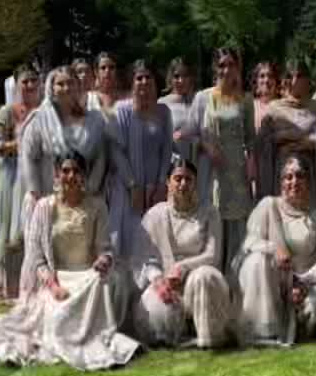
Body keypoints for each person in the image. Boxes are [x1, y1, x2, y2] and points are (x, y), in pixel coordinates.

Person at [0, 152, 139, 371]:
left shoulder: (97, 206)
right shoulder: (44, 207)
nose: (71, 176)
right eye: (65, 170)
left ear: (84, 175)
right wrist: (53, 286)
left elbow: (105, 248)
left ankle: (96, 338)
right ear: (57, 175)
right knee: (57, 321)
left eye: (76, 171)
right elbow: (36, 257)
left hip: (88, 277)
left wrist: (103, 260)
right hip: (57, 278)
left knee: (103, 282)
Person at [235, 154, 316, 346]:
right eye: (288, 177)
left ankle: (297, 318)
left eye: (300, 176)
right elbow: (249, 242)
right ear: (281, 182)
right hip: (271, 284)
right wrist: (274, 249)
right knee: (256, 260)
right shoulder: (268, 205)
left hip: (307, 284)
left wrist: (302, 282)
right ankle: (264, 327)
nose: (294, 182)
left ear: (309, 181)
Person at [133, 159, 231, 348]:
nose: (183, 184)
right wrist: (158, 280)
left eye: (188, 179)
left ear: (195, 183)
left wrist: (182, 267)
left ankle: (207, 338)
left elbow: (213, 255)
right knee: (155, 313)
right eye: (178, 179)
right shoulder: (155, 215)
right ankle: (181, 331)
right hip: (167, 281)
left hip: (199, 280)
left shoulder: (209, 212)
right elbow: (145, 258)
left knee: (204, 276)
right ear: (168, 182)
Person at [190, 47, 255, 272]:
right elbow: (190, 133)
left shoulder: (245, 99)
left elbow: (250, 138)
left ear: (238, 67)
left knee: (238, 219)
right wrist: (207, 146)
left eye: (231, 64)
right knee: (214, 216)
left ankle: (236, 274)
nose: (226, 70)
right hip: (212, 168)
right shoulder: (203, 97)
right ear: (214, 68)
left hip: (236, 167)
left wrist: (251, 162)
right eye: (221, 65)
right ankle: (213, 273)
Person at [21, 65, 107, 234]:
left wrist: (90, 189)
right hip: (48, 195)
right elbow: (29, 156)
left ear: (78, 86)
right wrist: (35, 192)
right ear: (52, 89)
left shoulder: (94, 120)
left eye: (70, 83)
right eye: (60, 84)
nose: (66, 88)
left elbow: (100, 157)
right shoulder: (40, 119)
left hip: (84, 197)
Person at [109, 60, 173, 259]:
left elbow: (167, 149)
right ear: (132, 82)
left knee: (154, 240)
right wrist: (132, 186)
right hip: (127, 187)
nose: (144, 81)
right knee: (127, 239)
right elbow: (116, 150)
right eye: (139, 78)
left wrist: (161, 184)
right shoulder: (122, 110)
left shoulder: (163, 112)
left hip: (155, 188)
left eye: (148, 77)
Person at [0, 64, 41, 297]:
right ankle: (8, 281)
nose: (29, 85)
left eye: (33, 81)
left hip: (39, 175)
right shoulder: (7, 112)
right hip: (13, 177)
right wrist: (20, 144)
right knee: (13, 229)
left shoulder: (45, 111)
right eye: (25, 81)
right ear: (17, 85)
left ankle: (34, 278)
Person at [257, 59, 316, 206]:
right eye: (289, 76)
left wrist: (310, 144)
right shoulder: (274, 109)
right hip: (282, 176)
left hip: (312, 177)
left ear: (307, 80)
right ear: (283, 81)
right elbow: (261, 145)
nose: (294, 81)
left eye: (299, 76)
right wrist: (279, 137)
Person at [158, 57, 196, 163]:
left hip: (198, 163)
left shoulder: (199, 100)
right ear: (170, 78)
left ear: (191, 78)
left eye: (185, 76)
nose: (181, 81)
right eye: (176, 76)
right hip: (173, 163)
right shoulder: (162, 103)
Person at [251, 61, 280, 133]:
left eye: (270, 76)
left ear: (276, 81)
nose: (266, 80)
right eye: (262, 76)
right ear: (256, 81)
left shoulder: (284, 105)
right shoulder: (250, 107)